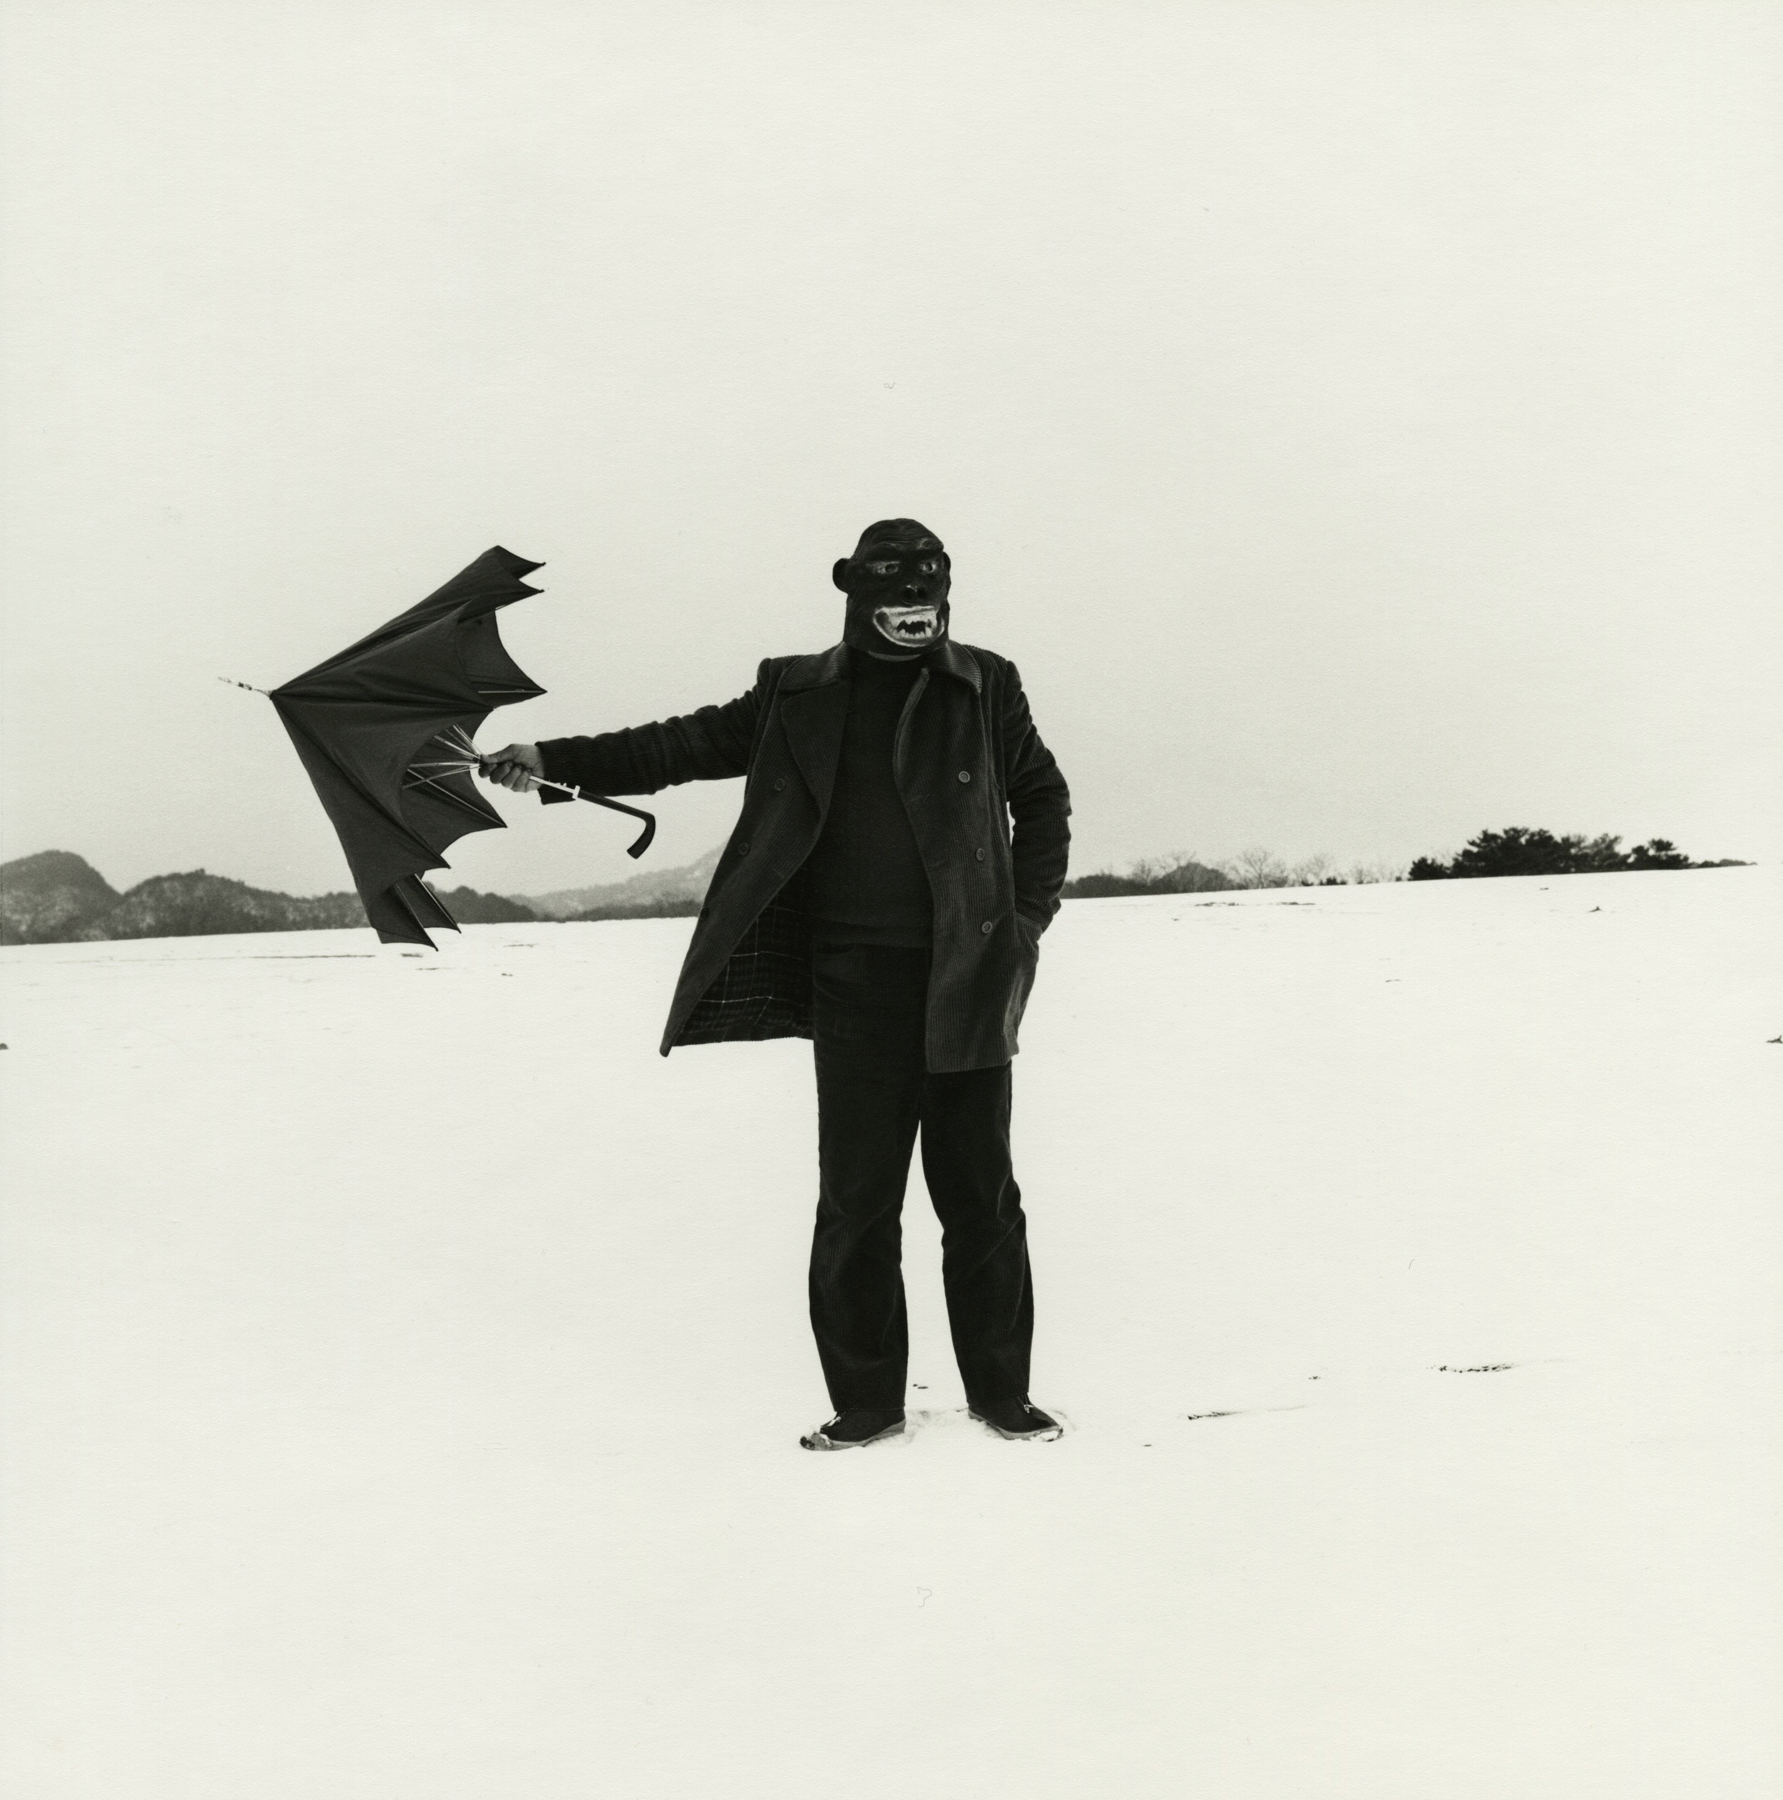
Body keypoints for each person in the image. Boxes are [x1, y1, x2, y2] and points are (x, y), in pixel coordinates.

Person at [481, 519, 1071, 1449]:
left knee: (981, 1197)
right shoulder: (793, 691)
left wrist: (1024, 922)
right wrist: (556, 761)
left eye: (929, 592)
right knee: (857, 1202)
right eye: (894, 593)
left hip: (965, 971)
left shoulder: (985, 683)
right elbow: (674, 747)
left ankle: (1001, 1393)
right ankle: (867, 1404)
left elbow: (1040, 796)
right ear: (854, 594)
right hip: (851, 979)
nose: (915, 609)